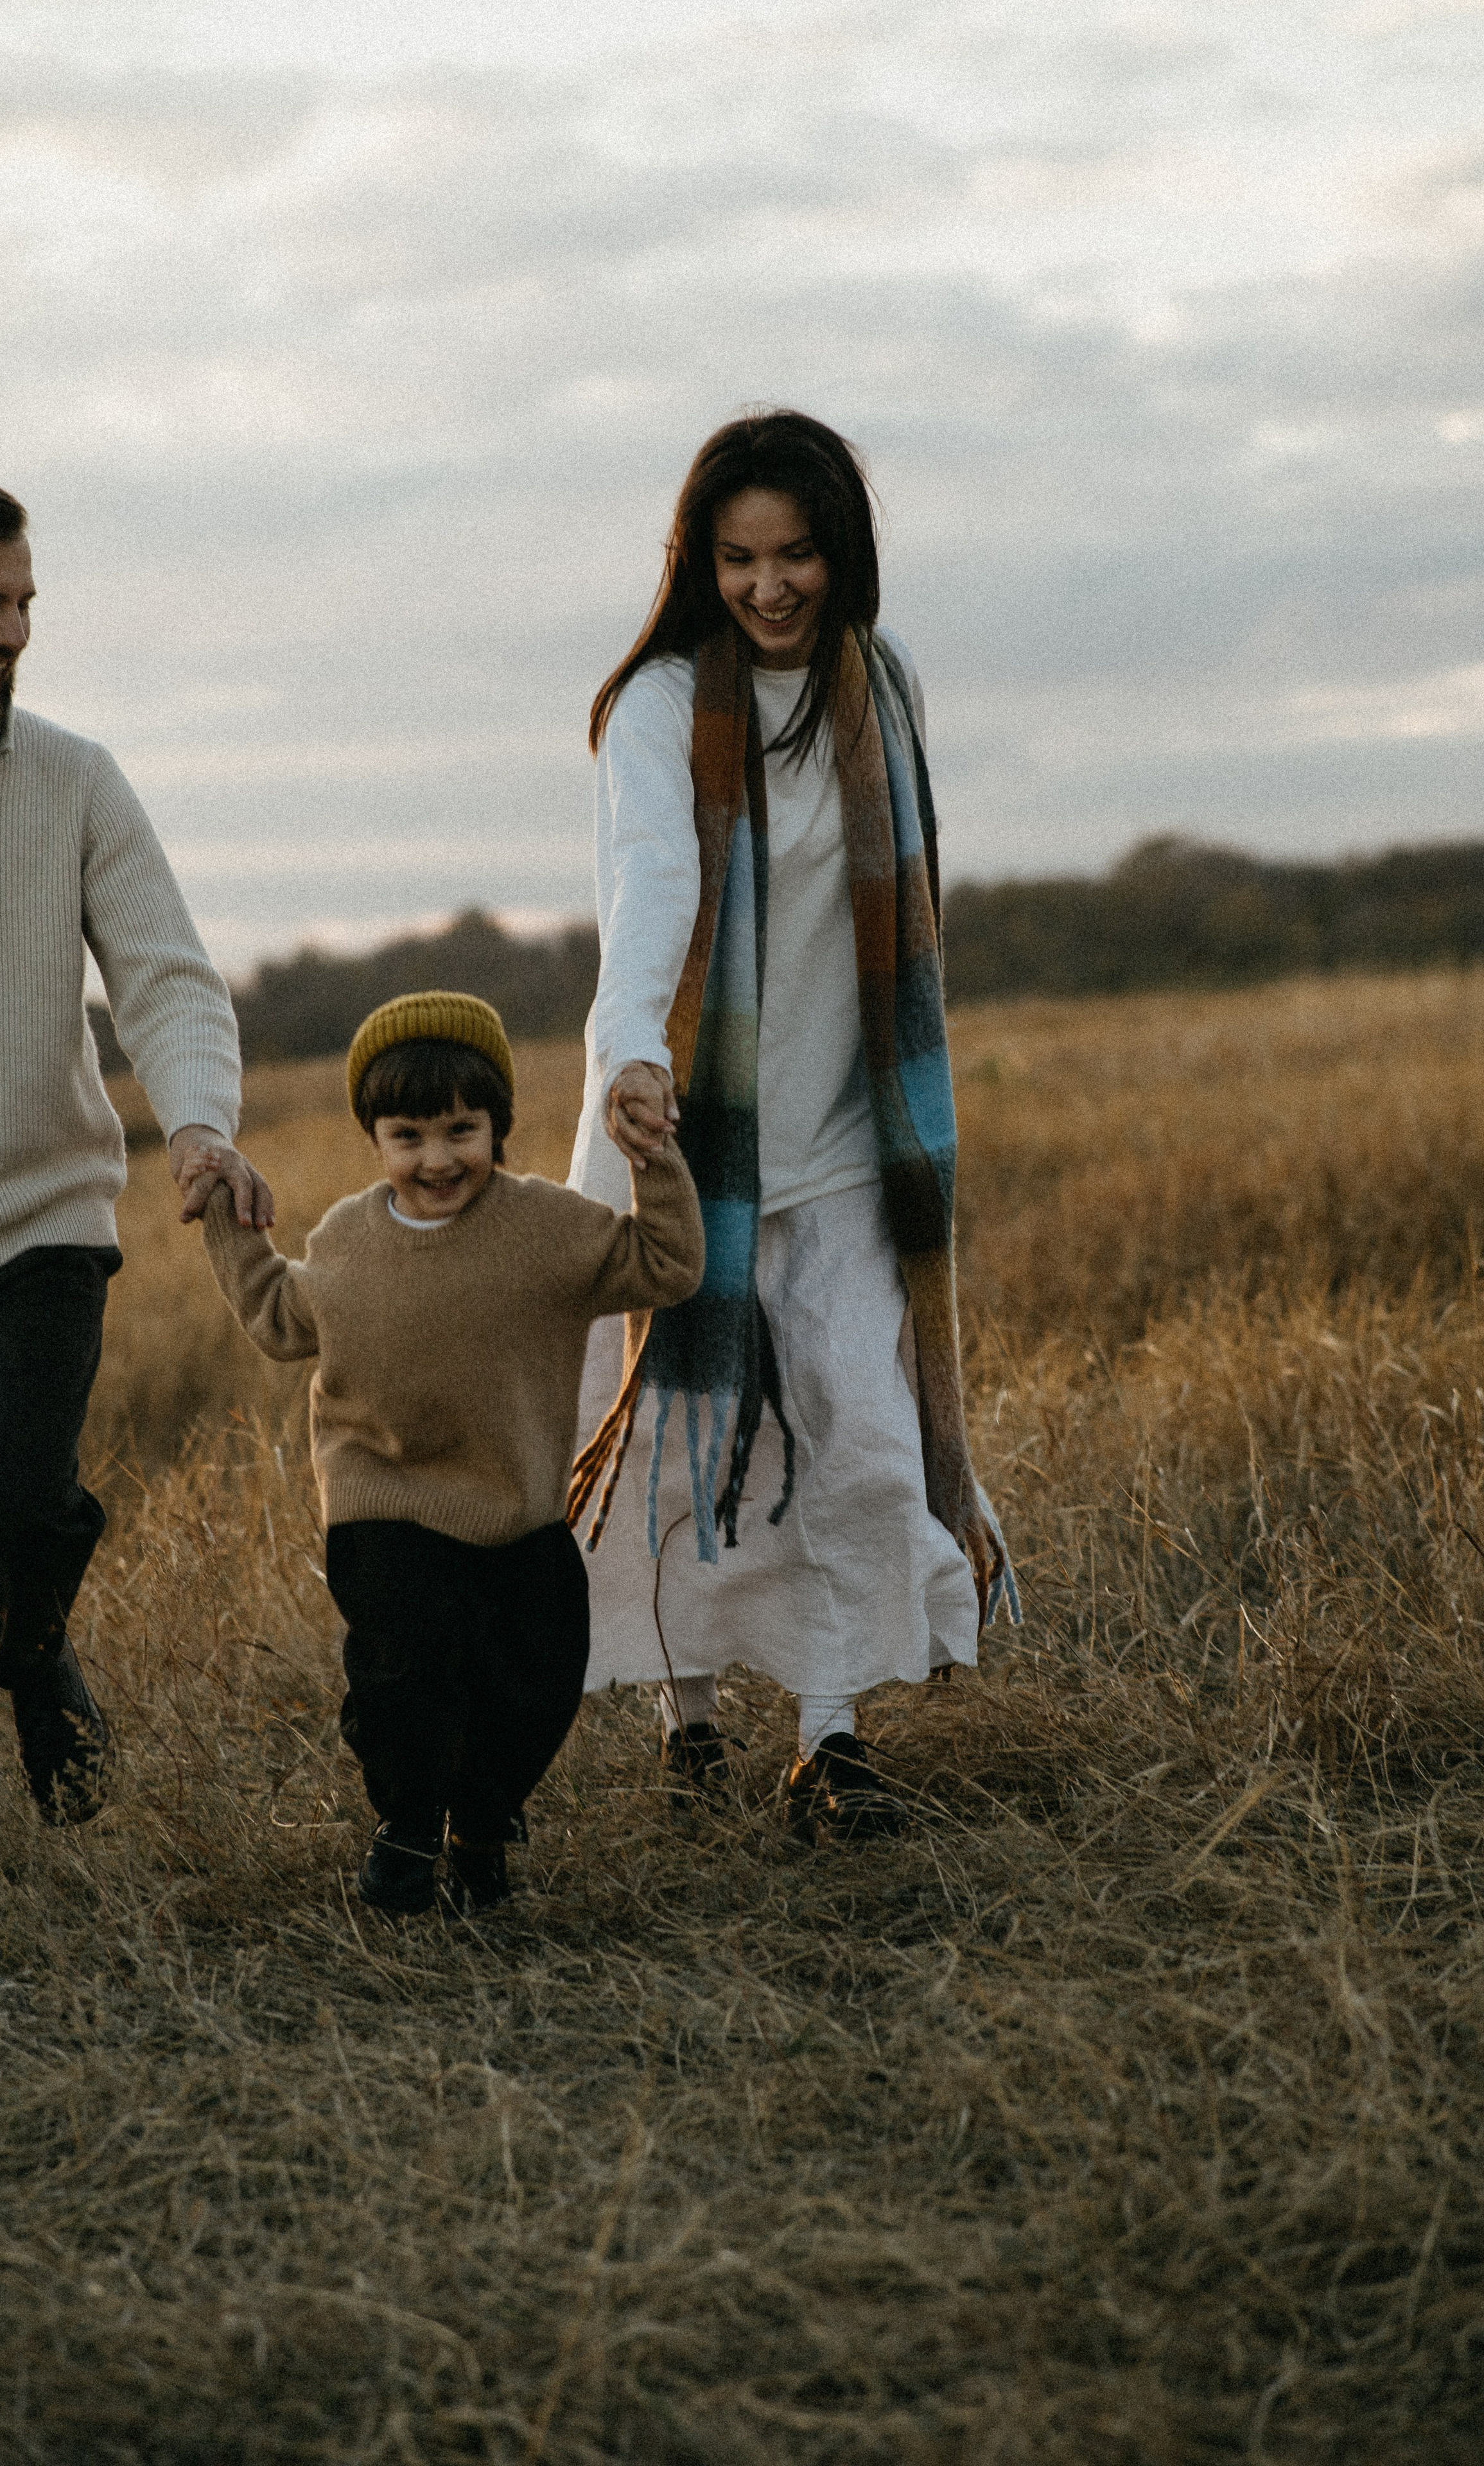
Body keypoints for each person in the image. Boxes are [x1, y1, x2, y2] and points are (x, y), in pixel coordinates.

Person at [566, 408, 1017, 1841]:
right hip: (688, 1140)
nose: (770, 587)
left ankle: (830, 1739)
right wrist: (633, 1051)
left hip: (842, 1143)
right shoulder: (654, 710)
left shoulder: (881, 690)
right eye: (740, 558)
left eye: (798, 556)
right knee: (684, 1450)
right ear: (699, 562)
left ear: (844, 556)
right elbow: (648, 891)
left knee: (860, 1436)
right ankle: (685, 1715)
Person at [0, 464, 269, 1882]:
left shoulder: (75, 779)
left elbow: (167, 974)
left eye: (25, 602)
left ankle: (35, 1657)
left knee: (16, 1503)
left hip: (36, 1222)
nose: (13, 630)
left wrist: (201, 1120)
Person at [198, 991, 703, 1918]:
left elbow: (665, 1266)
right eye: (408, 1135)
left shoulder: (548, 1230)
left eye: (461, 1130)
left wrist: (654, 1161)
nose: (437, 1158)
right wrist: (231, 1221)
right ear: (376, 1138)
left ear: (498, 1125)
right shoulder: (347, 1239)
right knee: (407, 1675)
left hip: (516, 1512)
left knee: (537, 1683)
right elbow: (280, 1318)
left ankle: (480, 1823)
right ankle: (406, 1828)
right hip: (379, 1505)